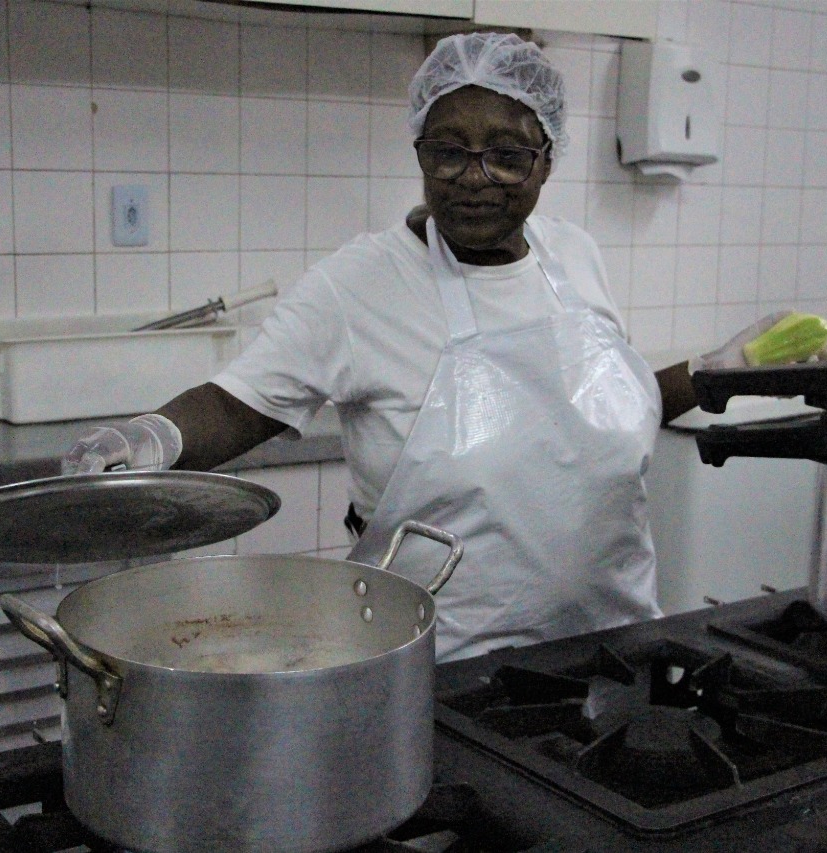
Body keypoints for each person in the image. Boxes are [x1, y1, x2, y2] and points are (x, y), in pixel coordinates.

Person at [64, 32, 778, 662]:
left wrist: (719, 371)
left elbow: (599, 418)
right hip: (449, 678)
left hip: (616, 656)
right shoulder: (363, 283)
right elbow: (241, 405)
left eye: (506, 155)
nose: (474, 177)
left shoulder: (575, 257)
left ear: (546, 160)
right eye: (448, 151)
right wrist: (150, 437)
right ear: (420, 151)